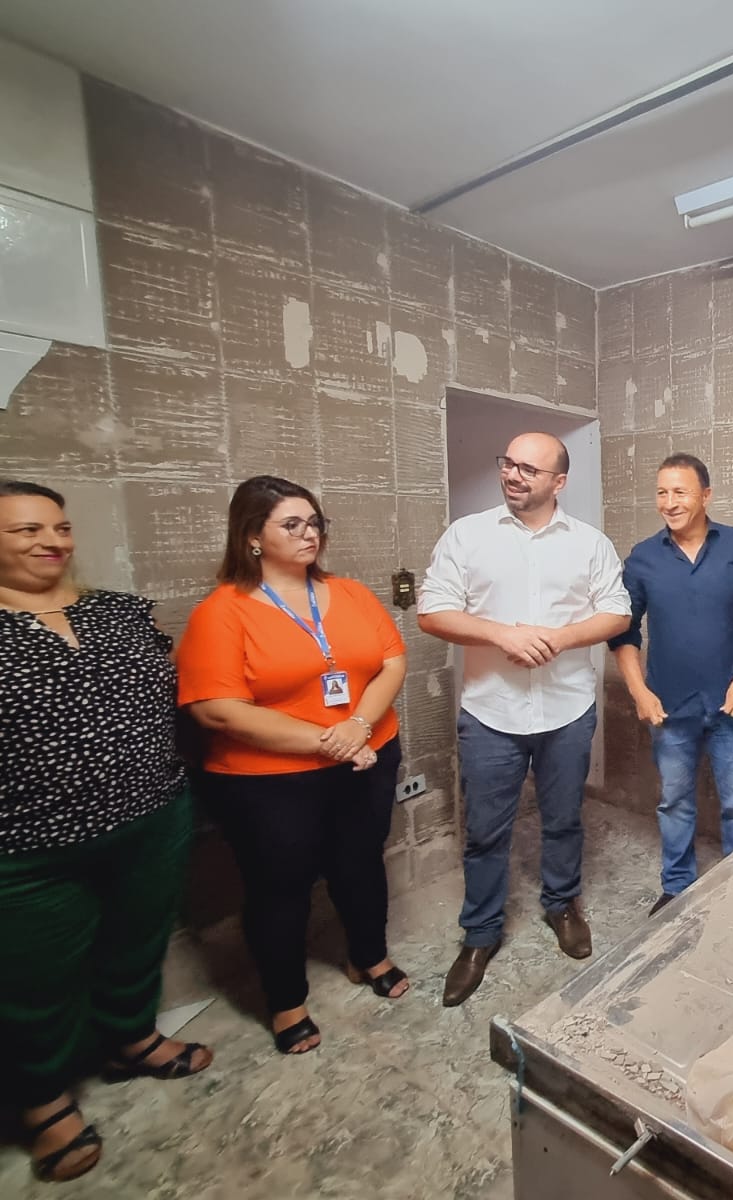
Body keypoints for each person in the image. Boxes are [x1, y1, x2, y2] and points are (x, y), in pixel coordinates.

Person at [0, 481, 212, 1182]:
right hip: (28, 844)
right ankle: (44, 1101)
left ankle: (133, 1039)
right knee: (34, 977)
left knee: (136, 941)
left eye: (59, 528)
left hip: (150, 815)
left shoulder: (117, 611)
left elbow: (170, 695)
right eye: (27, 530)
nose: (50, 541)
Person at [178, 476, 407, 1056]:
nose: (310, 534)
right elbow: (217, 710)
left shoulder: (350, 593)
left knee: (361, 863)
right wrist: (330, 742)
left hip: (367, 754)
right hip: (269, 780)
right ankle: (287, 1002)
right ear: (252, 537)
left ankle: (368, 956)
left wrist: (358, 727)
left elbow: (392, 661)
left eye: (315, 523)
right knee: (279, 887)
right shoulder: (221, 612)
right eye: (292, 525)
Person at [418, 433, 630, 1002]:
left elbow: (617, 612)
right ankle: (480, 934)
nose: (513, 475)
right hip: (491, 711)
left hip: (567, 708)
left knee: (563, 819)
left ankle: (561, 905)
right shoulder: (467, 535)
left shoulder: (589, 543)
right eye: (508, 463)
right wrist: (500, 634)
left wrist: (559, 638)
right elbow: (432, 611)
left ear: (559, 482)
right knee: (486, 831)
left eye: (529, 469)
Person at [610, 453, 733, 914]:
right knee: (674, 802)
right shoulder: (643, 558)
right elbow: (623, 631)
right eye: (662, 492)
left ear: (705, 495)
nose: (669, 502)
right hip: (669, 709)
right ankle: (677, 887)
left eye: (680, 492)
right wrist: (639, 692)